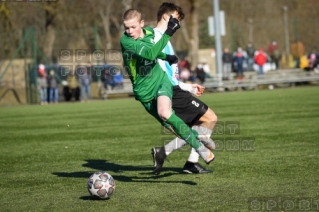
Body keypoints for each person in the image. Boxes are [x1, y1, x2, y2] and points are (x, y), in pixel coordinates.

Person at [120, 9, 214, 172]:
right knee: (174, 128)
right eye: (126, 28)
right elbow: (149, 54)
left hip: (162, 82)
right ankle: (167, 151)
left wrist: (166, 57)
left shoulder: (149, 32)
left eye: (132, 27)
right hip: (145, 93)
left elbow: (154, 51)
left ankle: (200, 150)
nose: (129, 31)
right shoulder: (126, 41)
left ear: (142, 24)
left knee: (166, 112)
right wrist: (170, 31)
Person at [151, 2, 218, 174]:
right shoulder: (157, 37)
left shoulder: (165, 39)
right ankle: (190, 162)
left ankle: (165, 152)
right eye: (176, 18)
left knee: (194, 126)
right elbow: (161, 76)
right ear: (166, 17)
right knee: (210, 118)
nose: (178, 24)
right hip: (170, 92)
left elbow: (169, 74)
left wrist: (189, 87)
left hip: (175, 90)